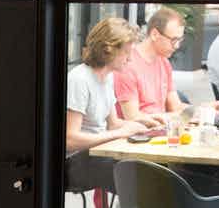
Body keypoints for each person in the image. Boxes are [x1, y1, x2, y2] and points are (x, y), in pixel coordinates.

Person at [65, 16, 158, 197]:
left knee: (146, 168)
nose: (130, 59)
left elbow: (114, 124)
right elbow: (70, 140)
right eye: (126, 53)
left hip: (96, 154)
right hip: (73, 163)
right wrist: (120, 133)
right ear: (108, 50)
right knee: (137, 176)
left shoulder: (108, 77)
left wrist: (143, 124)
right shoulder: (79, 79)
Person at [115, 8, 190, 124]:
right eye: (174, 40)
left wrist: (204, 109)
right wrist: (170, 117)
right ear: (155, 34)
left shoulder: (164, 63)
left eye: (180, 40)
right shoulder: (127, 65)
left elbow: (175, 106)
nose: (177, 46)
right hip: (138, 136)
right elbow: (132, 117)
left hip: (161, 131)